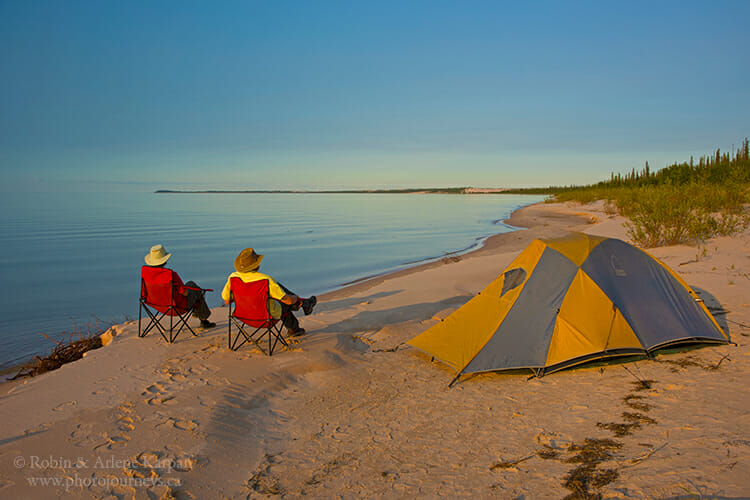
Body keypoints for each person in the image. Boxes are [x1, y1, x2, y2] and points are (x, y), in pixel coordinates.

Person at [222, 247, 316, 336]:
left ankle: (305, 303)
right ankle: (294, 328)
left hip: (243, 316)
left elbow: (227, 301)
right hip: (266, 318)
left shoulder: (233, 278)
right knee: (284, 302)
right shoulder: (265, 280)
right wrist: (295, 298)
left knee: (277, 293)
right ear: (257, 265)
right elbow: (289, 301)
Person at [143, 244, 216, 329]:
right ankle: (203, 320)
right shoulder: (170, 275)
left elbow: (144, 293)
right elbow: (184, 293)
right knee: (195, 289)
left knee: (191, 284)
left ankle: (200, 315)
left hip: (156, 305)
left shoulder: (145, 273)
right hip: (176, 308)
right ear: (165, 260)